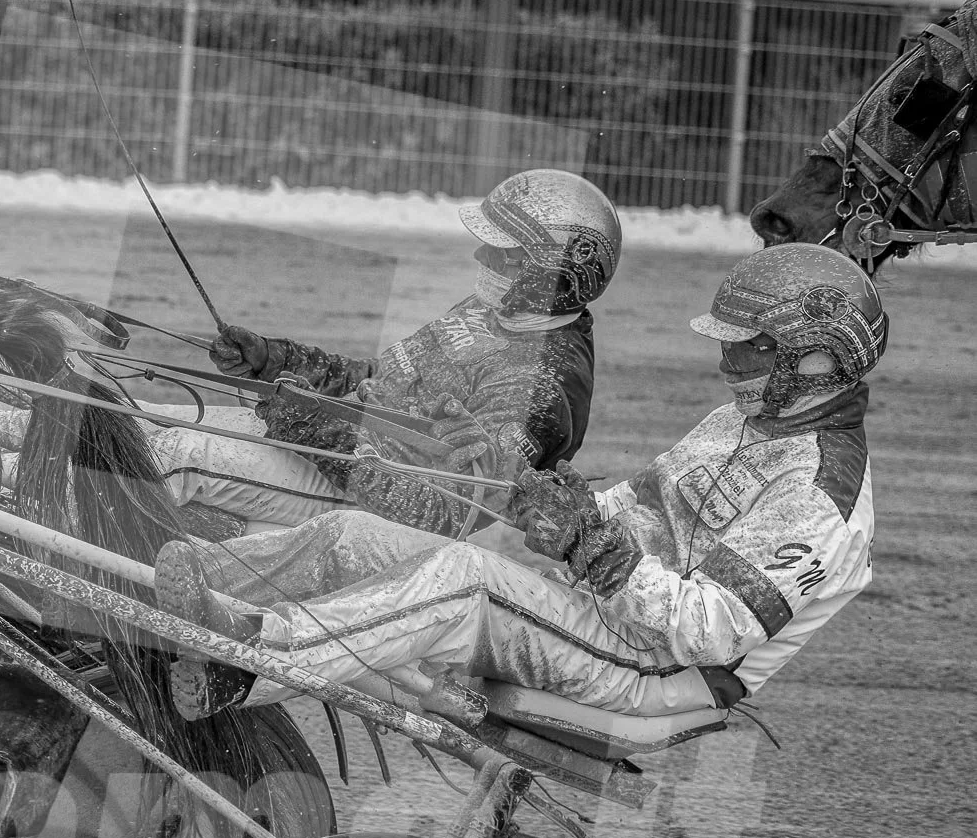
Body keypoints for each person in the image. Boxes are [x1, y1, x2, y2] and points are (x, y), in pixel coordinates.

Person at [155, 242, 884, 719]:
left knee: (463, 581)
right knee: (354, 534)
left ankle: (249, 663)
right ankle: (181, 587)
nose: (728, 364)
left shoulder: (819, 492)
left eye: (751, 350)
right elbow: (633, 505)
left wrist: (589, 546)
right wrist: (556, 500)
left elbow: (712, 630)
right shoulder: (742, 420)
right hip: (598, 608)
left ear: (817, 358)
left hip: (652, 669)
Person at [149, 167, 622, 535]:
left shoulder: (541, 391)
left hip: (365, 505)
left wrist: (313, 426)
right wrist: (275, 359)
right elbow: (384, 377)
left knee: (170, 455)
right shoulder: (502, 310)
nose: (481, 257)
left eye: (504, 252)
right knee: (142, 422)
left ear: (554, 270)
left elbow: (444, 512)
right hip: (333, 448)